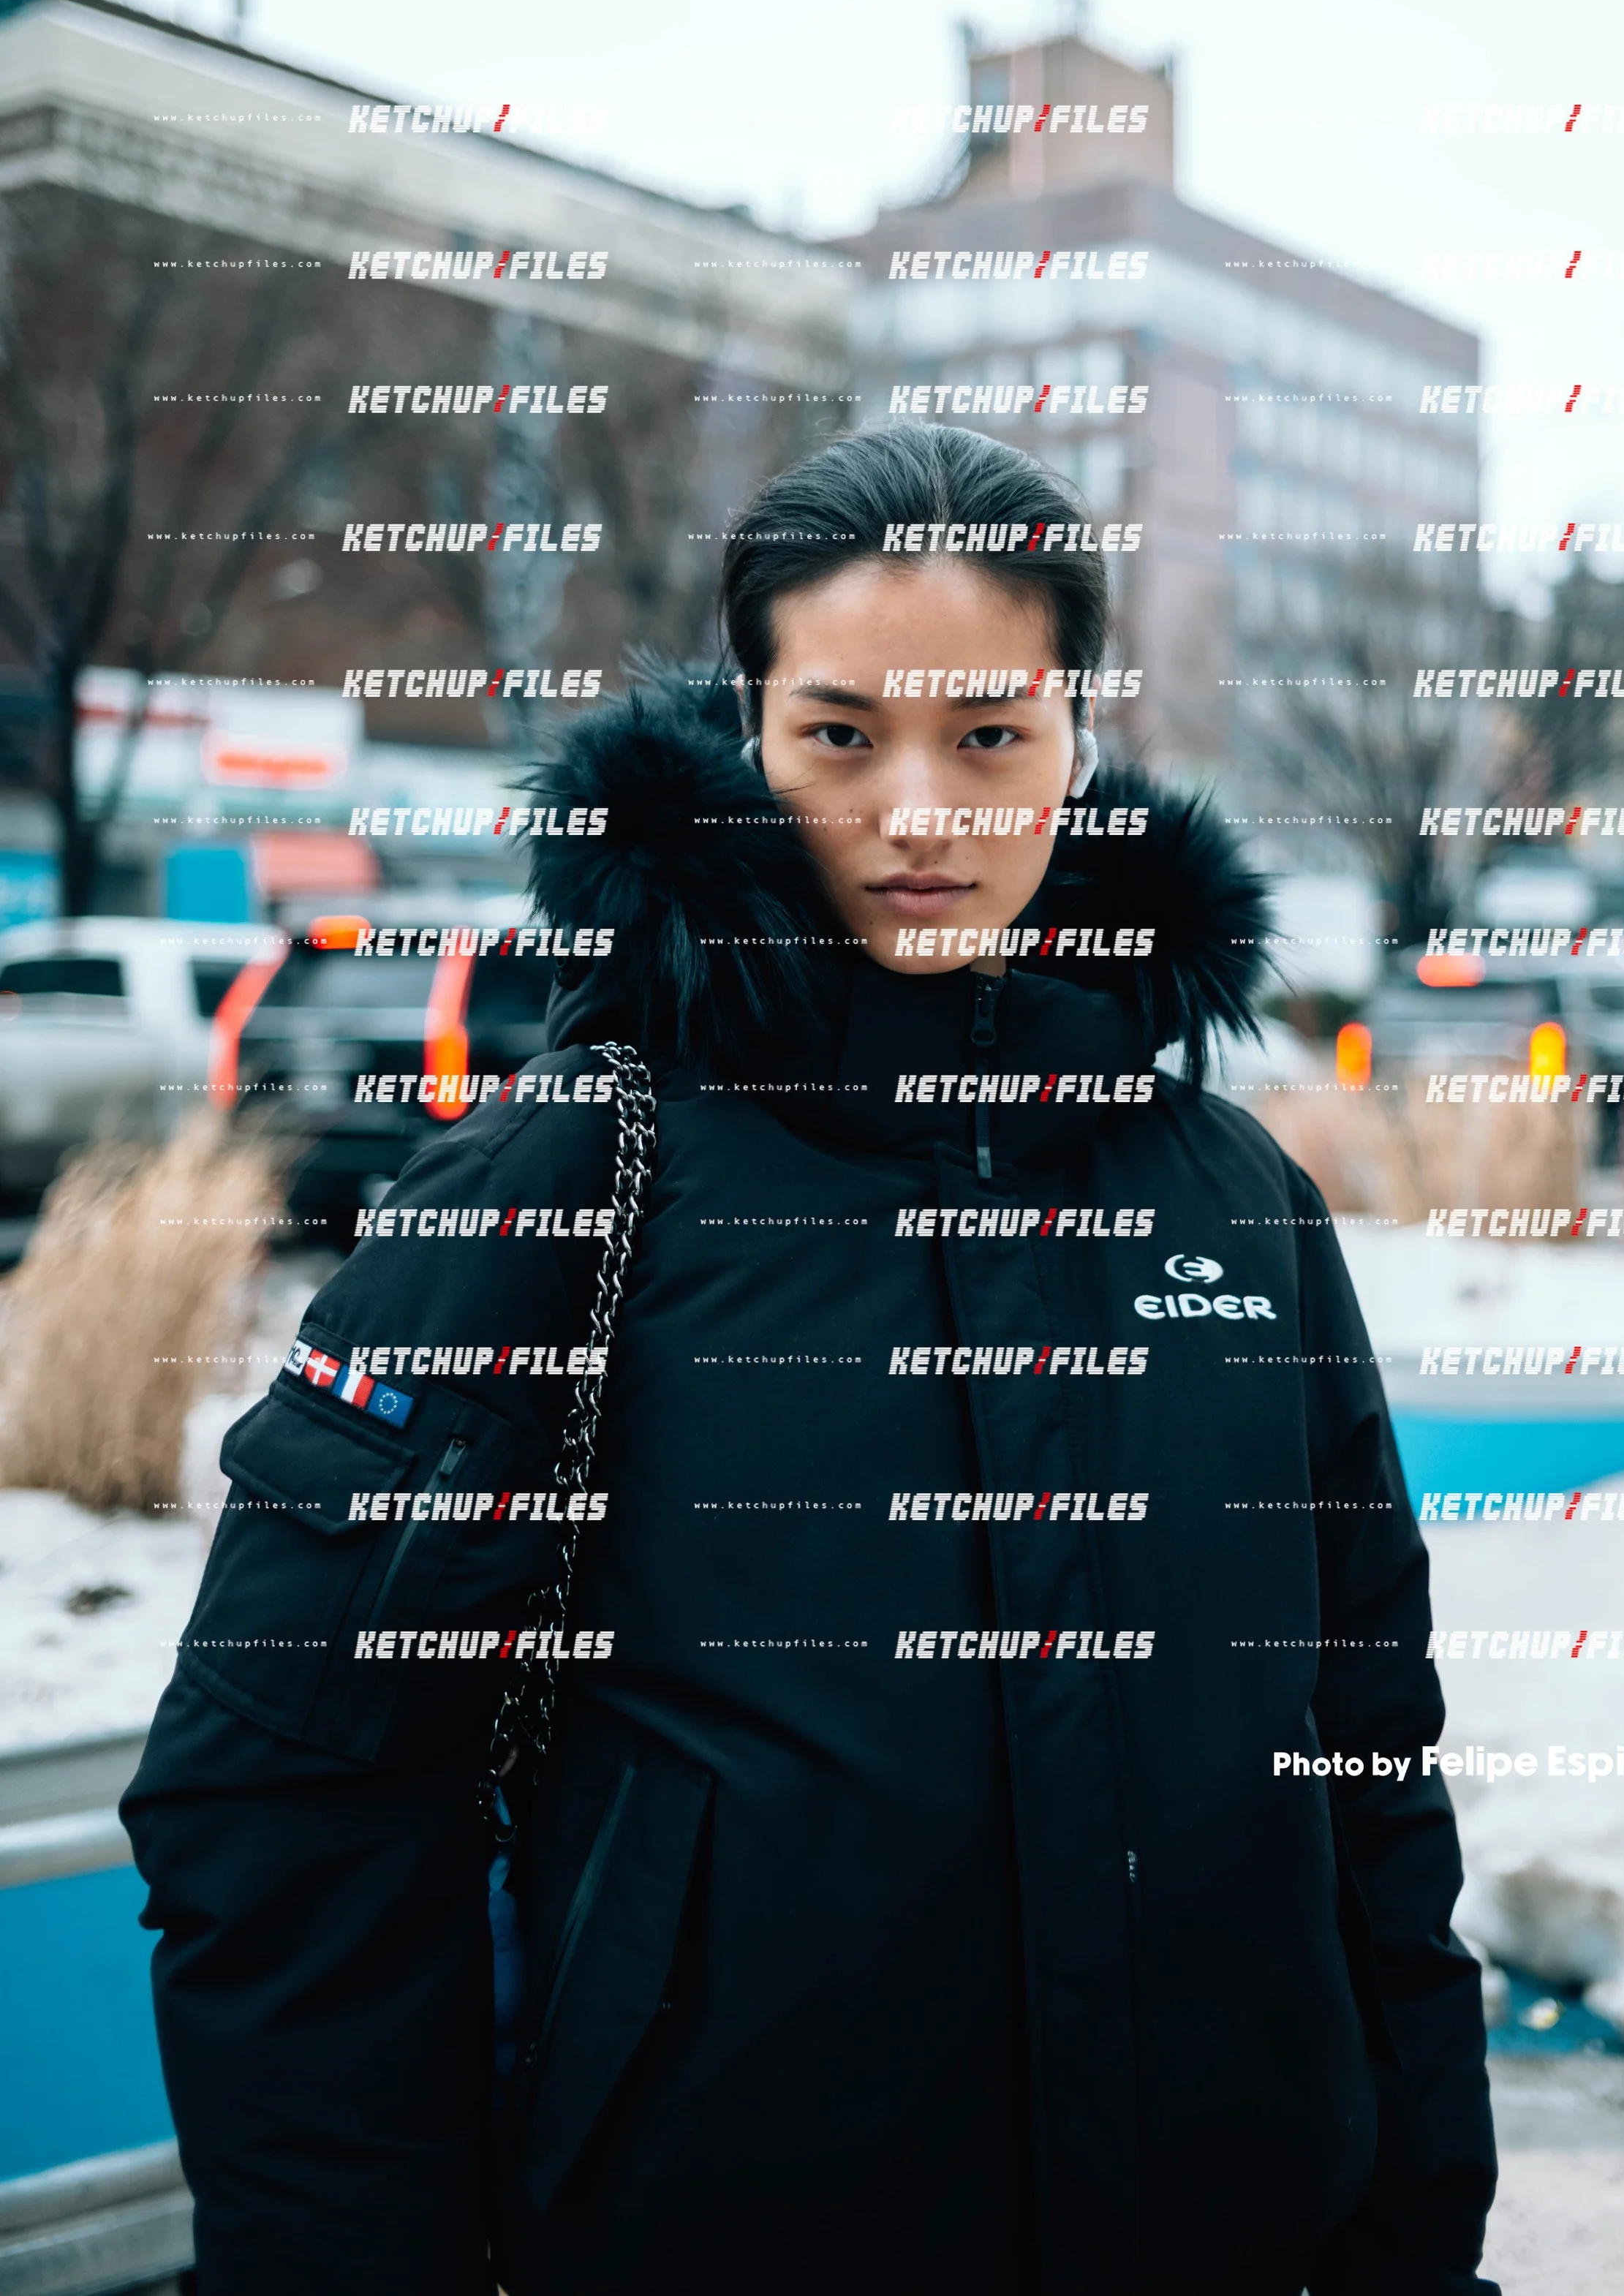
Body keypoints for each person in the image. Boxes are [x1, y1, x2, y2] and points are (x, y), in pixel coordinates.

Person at [124, 421, 1499, 2296]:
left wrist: (1421, 2245)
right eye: (843, 736)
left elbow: (1364, 1768)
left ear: (1074, 744)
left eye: (987, 739)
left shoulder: (1230, 1198)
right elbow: (290, 1815)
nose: (917, 814)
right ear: (750, 739)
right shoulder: (564, 1185)